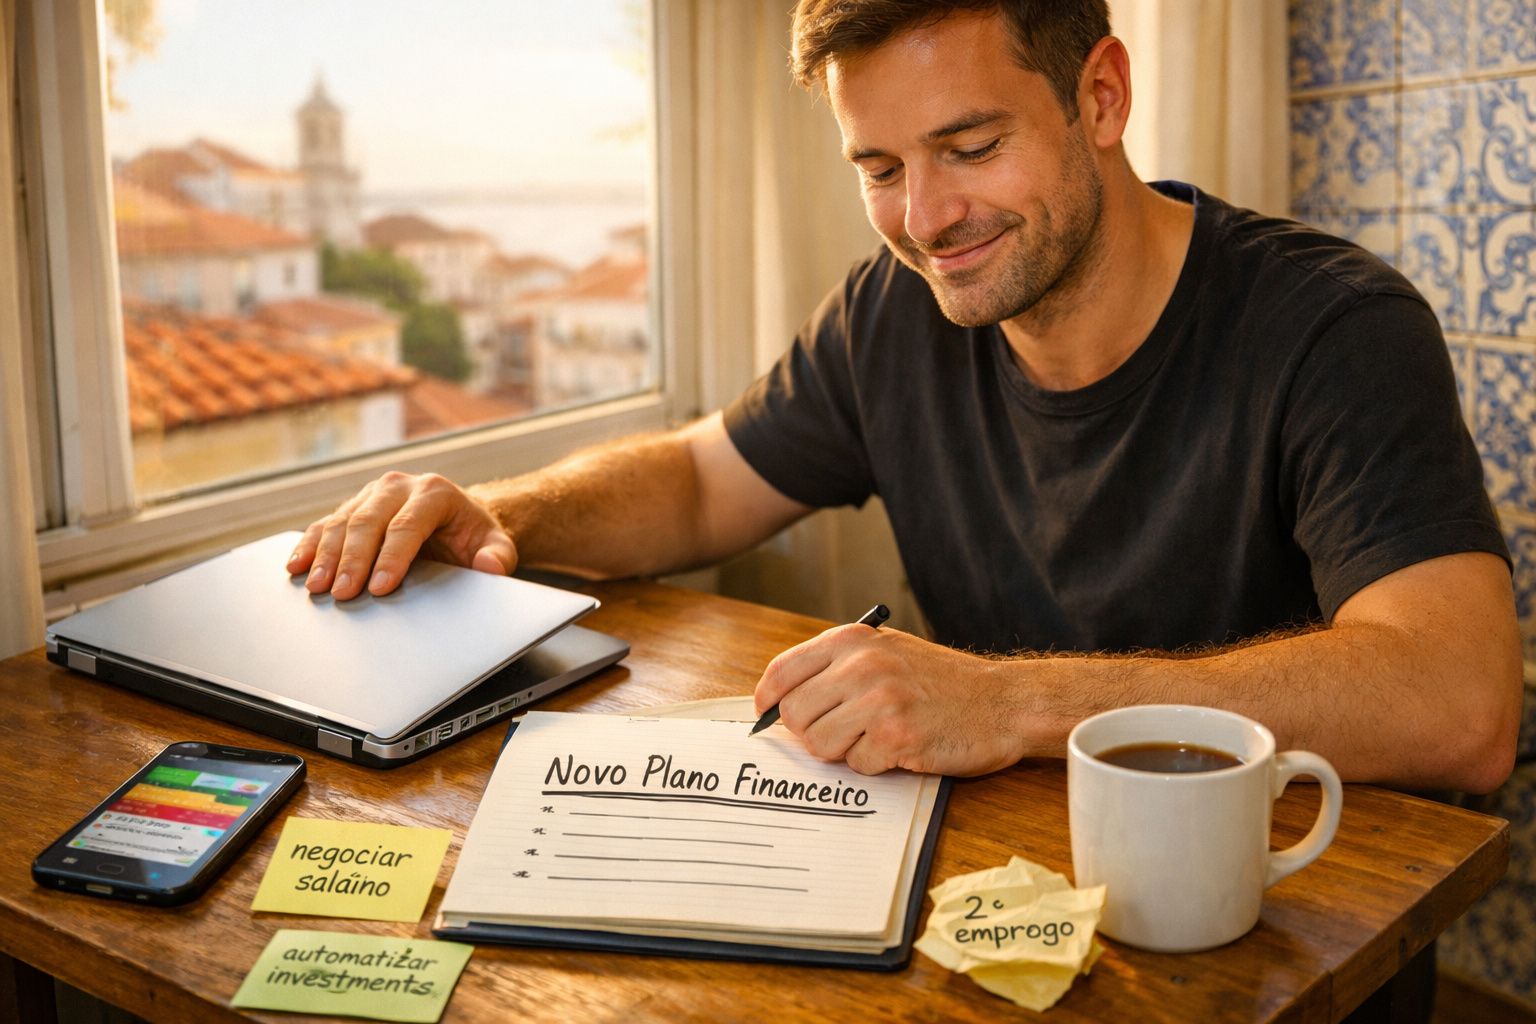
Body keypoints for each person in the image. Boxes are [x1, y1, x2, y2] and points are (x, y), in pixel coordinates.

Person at [288, 1, 1520, 796]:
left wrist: (1012, 698)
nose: (927, 222)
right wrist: (494, 517)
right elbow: (706, 479)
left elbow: (1462, 705)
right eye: (880, 168)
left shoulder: (1335, 327)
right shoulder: (895, 308)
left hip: (1282, 918)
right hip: (998, 898)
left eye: (972, 148)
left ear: (1101, 96)